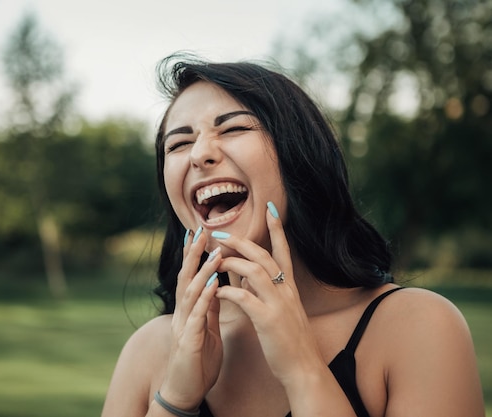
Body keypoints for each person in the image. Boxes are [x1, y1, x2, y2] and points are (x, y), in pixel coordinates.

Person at [101, 54, 485, 417]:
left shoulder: (419, 326)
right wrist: (176, 398)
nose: (199, 154)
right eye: (179, 143)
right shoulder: (149, 349)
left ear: (300, 158)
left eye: (233, 127)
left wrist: (302, 368)